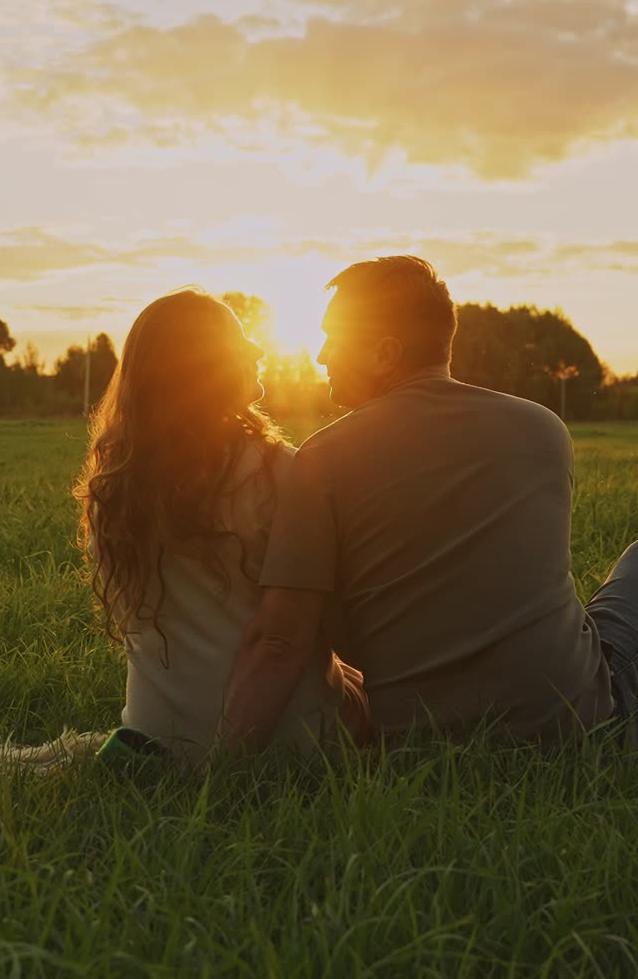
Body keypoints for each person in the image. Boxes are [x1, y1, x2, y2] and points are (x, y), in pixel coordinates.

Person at [218, 255, 637, 750]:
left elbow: (281, 641)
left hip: (417, 748)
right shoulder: (543, 428)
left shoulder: (322, 459)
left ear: (385, 353)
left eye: (334, 338)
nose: (321, 356)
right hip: (580, 725)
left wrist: (221, 770)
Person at [75, 288, 368, 767]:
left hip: (155, 741)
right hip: (294, 744)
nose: (256, 350)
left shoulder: (115, 491)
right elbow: (327, 626)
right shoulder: (286, 472)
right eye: (239, 341)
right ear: (201, 369)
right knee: (373, 691)